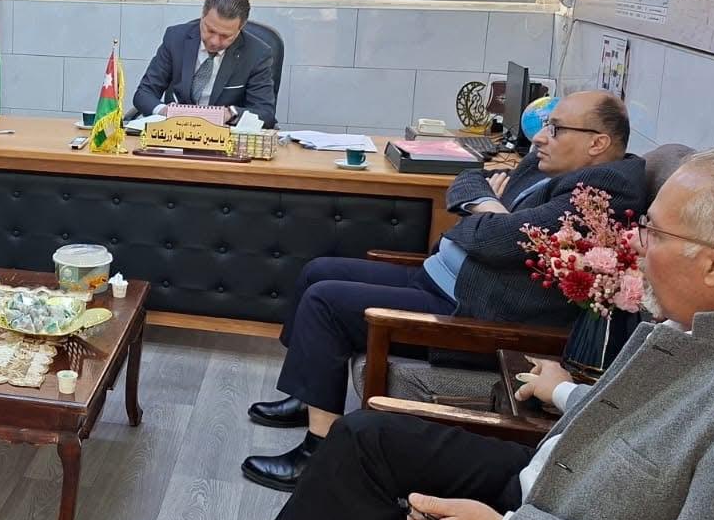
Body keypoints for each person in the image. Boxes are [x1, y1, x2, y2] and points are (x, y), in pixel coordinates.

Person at [221, 148, 714, 520]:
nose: (634, 244)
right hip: (556, 483)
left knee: (351, 493)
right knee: (363, 439)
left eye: (655, 233)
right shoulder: (712, 325)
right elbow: (662, 433)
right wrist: (565, 393)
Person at [243, 91, 647, 491]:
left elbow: (497, 241)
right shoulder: (549, 162)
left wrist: (489, 216)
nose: (540, 137)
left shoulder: (604, 191)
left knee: (325, 302)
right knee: (317, 271)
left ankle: (318, 453)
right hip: (441, 277)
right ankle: (309, 393)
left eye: (555, 129)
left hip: (469, 307)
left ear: (597, 143)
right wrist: (491, 208)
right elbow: (468, 179)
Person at [131, 0, 277, 126]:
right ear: (202, 16)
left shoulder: (257, 54)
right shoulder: (175, 38)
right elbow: (144, 94)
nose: (214, 41)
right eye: (210, 30)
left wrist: (230, 113)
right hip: (175, 131)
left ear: (240, 28)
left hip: (224, 136)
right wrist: (164, 111)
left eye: (225, 36)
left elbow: (265, 113)